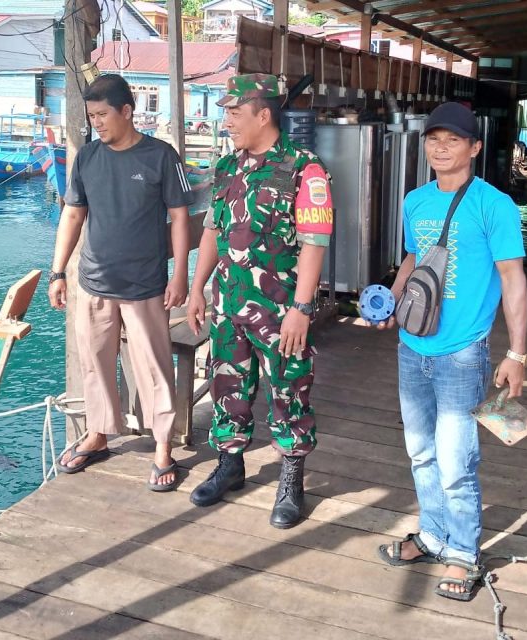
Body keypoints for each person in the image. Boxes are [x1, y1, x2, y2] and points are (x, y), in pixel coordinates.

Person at [374, 102, 527, 601]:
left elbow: (513, 279)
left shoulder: (494, 205)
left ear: (475, 147)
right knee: (421, 451)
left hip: (463, 353)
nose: (440, 148)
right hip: (411, 346)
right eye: (433, 139)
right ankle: (433, 535)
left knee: (456, 460)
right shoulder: (415, 201)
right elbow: (413, 258)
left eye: (453, 140)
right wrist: (392, 300)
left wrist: (517, 354)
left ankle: (464, 552)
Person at [186, 73, 333, 529]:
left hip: (280, 310)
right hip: (228, 306)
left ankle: (292, 479)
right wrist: (196, 288)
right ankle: (230, 465)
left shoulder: (304, 169)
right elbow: (212, 231)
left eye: (234, 113)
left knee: (289, 390)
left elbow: (314, 244)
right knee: (227, 386)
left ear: (263, 114)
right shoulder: (228, 167)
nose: (227, 121)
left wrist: (301, 309)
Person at [48, 74, 194, 490]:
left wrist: (180, 274)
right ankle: (98, 434)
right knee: (95, 363)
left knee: (153, 368)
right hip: (94, 282)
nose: (96, 123)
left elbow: (180, 216)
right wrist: (58, 271)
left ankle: (163, 446)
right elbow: (73, 214)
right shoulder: (87, 157)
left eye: (102, 114)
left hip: (144, 285)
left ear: (127, 111)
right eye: (91, 116)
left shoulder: (160, 156)